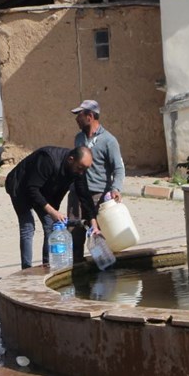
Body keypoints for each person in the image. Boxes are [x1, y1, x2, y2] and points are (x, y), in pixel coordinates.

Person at [5, 145, 95, 269]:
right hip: (20, 187)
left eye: (85, 169)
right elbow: (32, 189)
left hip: (41, 191)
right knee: (28, 227)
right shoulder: (48, 159)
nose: (81, 172)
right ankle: (26, 270)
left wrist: (93, 222)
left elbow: (84, 195)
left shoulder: (77, 169)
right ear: (71, 159)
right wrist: (52, 211)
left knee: (51, 227)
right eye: (80, 168)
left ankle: (47, 266)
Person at [68, 99, 125, 262]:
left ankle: (104, 268)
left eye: (79, 115)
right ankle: (77, 267)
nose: (76, 119)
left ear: (90, 116)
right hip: (77, 194)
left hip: (98, 196)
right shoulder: (78, 139)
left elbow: (119, 168)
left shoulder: (109, 140)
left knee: (99, 235)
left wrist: (116, 188)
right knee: (74, 231)